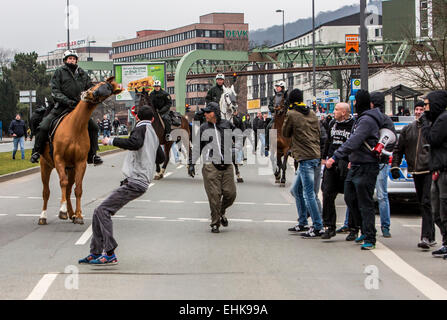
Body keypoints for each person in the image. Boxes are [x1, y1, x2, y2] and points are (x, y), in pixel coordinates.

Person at [78, 106, 164, 266]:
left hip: (136, 181)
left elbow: (135, 143)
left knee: (103, 210)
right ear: (153, 119)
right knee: (99, 211)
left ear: (137, 117)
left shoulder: (141, 128)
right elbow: (161, 158)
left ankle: (109, 253)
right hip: (140, 181)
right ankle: (95, 252)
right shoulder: (153, 133)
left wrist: (110, 140)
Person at [326, 90, 388, 250]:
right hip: (356, 163)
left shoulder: (367, 120)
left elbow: (354, 140)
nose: (353, 104)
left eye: (355, 101)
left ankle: (370, 237)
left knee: (365, 202)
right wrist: (349, 159)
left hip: (366, 165)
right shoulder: (362, 118)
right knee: (350, 197)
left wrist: (335, 156)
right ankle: (362, 228)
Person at [30, 50, 102, 165]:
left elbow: (90, 88)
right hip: (61, 107)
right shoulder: (59, 72)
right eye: (69, 58)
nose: (72, 60)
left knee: (94, 128)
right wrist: (67, 101)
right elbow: (55, 91)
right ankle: (36, 151)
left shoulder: (82, 73)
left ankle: (92, 155)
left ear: (76, 60)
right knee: (43, 126)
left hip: (78, 109)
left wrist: (99, 90)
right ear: (65, 60)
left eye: (74, 59)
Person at [391, 101, 436, 249]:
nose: (418, 112)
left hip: (428, 169)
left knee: (426, 202)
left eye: (421, 109)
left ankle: (426, 236)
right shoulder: (408, 129)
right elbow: (399, 149)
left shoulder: (431, 127)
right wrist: (395, 166)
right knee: (424, 203)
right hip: (415, 171)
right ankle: (431, 235)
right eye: (416, 109)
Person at [188, 102, 238, 234]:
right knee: (214, 196)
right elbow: (197, 146)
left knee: (230, 194)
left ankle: (221, 212)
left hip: (227, 165)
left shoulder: (227, 125)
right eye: (204, 112)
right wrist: (191, 163)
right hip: (211, 166)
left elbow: (239, 134)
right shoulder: (204, 128)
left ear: (214, 113)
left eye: (207, 112)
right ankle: (215, 223)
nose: (205, 114)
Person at [283, 89, 323, 238]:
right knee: (296, 190)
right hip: (315, 155)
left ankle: (318, 226)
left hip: (305, 158)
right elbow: (318, 132)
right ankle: (302, 222)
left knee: (308, 194)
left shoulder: (292, 114)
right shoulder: (312, 113)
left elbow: (285, 133)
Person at [320, 103, 355, 239]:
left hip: (346, 163)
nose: (333, 112)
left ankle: (353, 227)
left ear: (344, 112)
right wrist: (324, 157)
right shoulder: (333, 123)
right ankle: (329, 226)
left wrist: (352, 160)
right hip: (331, 163)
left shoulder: (353, 124)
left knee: (350, 197)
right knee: (327, 193)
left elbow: (354, 144)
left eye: (336, 109)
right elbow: (329, 141)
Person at [421, 90, 447, 258]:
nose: (424, 109)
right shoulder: (438, 119)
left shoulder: (443, 119)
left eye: (427, 105)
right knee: (437, 210)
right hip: (437, 168)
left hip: (444, 170)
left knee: (443, 208)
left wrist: (424, 122)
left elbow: (432, 138)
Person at [370, 91, 396, 238]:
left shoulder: (375, 118)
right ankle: (385, 227)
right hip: (383, 162)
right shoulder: (387, 119)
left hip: (377, 161)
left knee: (369, 194)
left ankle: (354, 224)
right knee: (382, 195)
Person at [265, 81, 288, 154]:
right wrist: (273, 109)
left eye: (278, 87)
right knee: (268, 127)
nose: (277, 88)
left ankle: (293, 146)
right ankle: (267, 145)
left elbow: (288, 105)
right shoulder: (274, 97)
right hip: (276, 117)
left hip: (285, 116)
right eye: (276, 87)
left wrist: (283, 109)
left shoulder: (286, 96)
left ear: (282, 87)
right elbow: (270, 106)